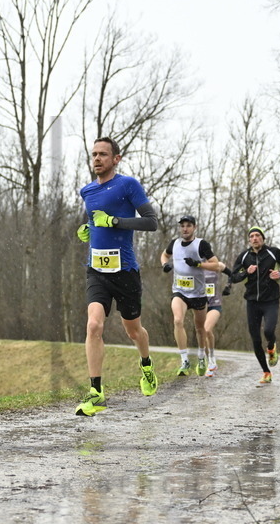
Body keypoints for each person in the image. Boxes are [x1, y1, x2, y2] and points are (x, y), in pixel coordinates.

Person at [74, 137, 159, 416]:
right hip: (96, 270)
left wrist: (114, 221)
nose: (97, 159)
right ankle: (96, 393)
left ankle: (146, 364)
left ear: (116, 159)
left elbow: (151, 222)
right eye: (94, 154)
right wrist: (88, 229)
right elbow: (94, 220)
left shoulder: (128, 185)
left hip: (125, 272)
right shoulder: (87, 191)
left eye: (103, 154)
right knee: (93, 325)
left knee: (133, 331)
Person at [159, 215, 223, 376]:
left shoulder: (201, 245)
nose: (185, 229)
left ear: (195, 228)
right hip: (179, 291)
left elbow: (216, 265)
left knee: (200, 329)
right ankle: (184, 360)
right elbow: (164, 255)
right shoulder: (174, 243)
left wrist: (198, 264)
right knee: (177, 320)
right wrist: (165, 264)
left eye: (188, 226)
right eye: (182, 226)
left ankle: (201, 357)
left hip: (198, 294)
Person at [230, 226, 280, 384]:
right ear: (249, 240)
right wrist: (246, 272)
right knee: (256, 339)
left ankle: (271, 347)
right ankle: (266, 372)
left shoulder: (274, 252)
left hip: (271, 300)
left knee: (269, 330)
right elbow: (233, 277)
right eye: (251, 236)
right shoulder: (244, 256)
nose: (255, 238)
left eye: (257, 235)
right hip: (252, 302)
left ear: (263, 238)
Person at [196, 266, 232, 377]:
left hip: (214, 304)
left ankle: (211, 359)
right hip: (200, 305)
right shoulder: (195, 265)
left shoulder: (216, 265)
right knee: (203, 332)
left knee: (206, 329)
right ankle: (210, 361)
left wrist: (228, 286)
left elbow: (231, 273)